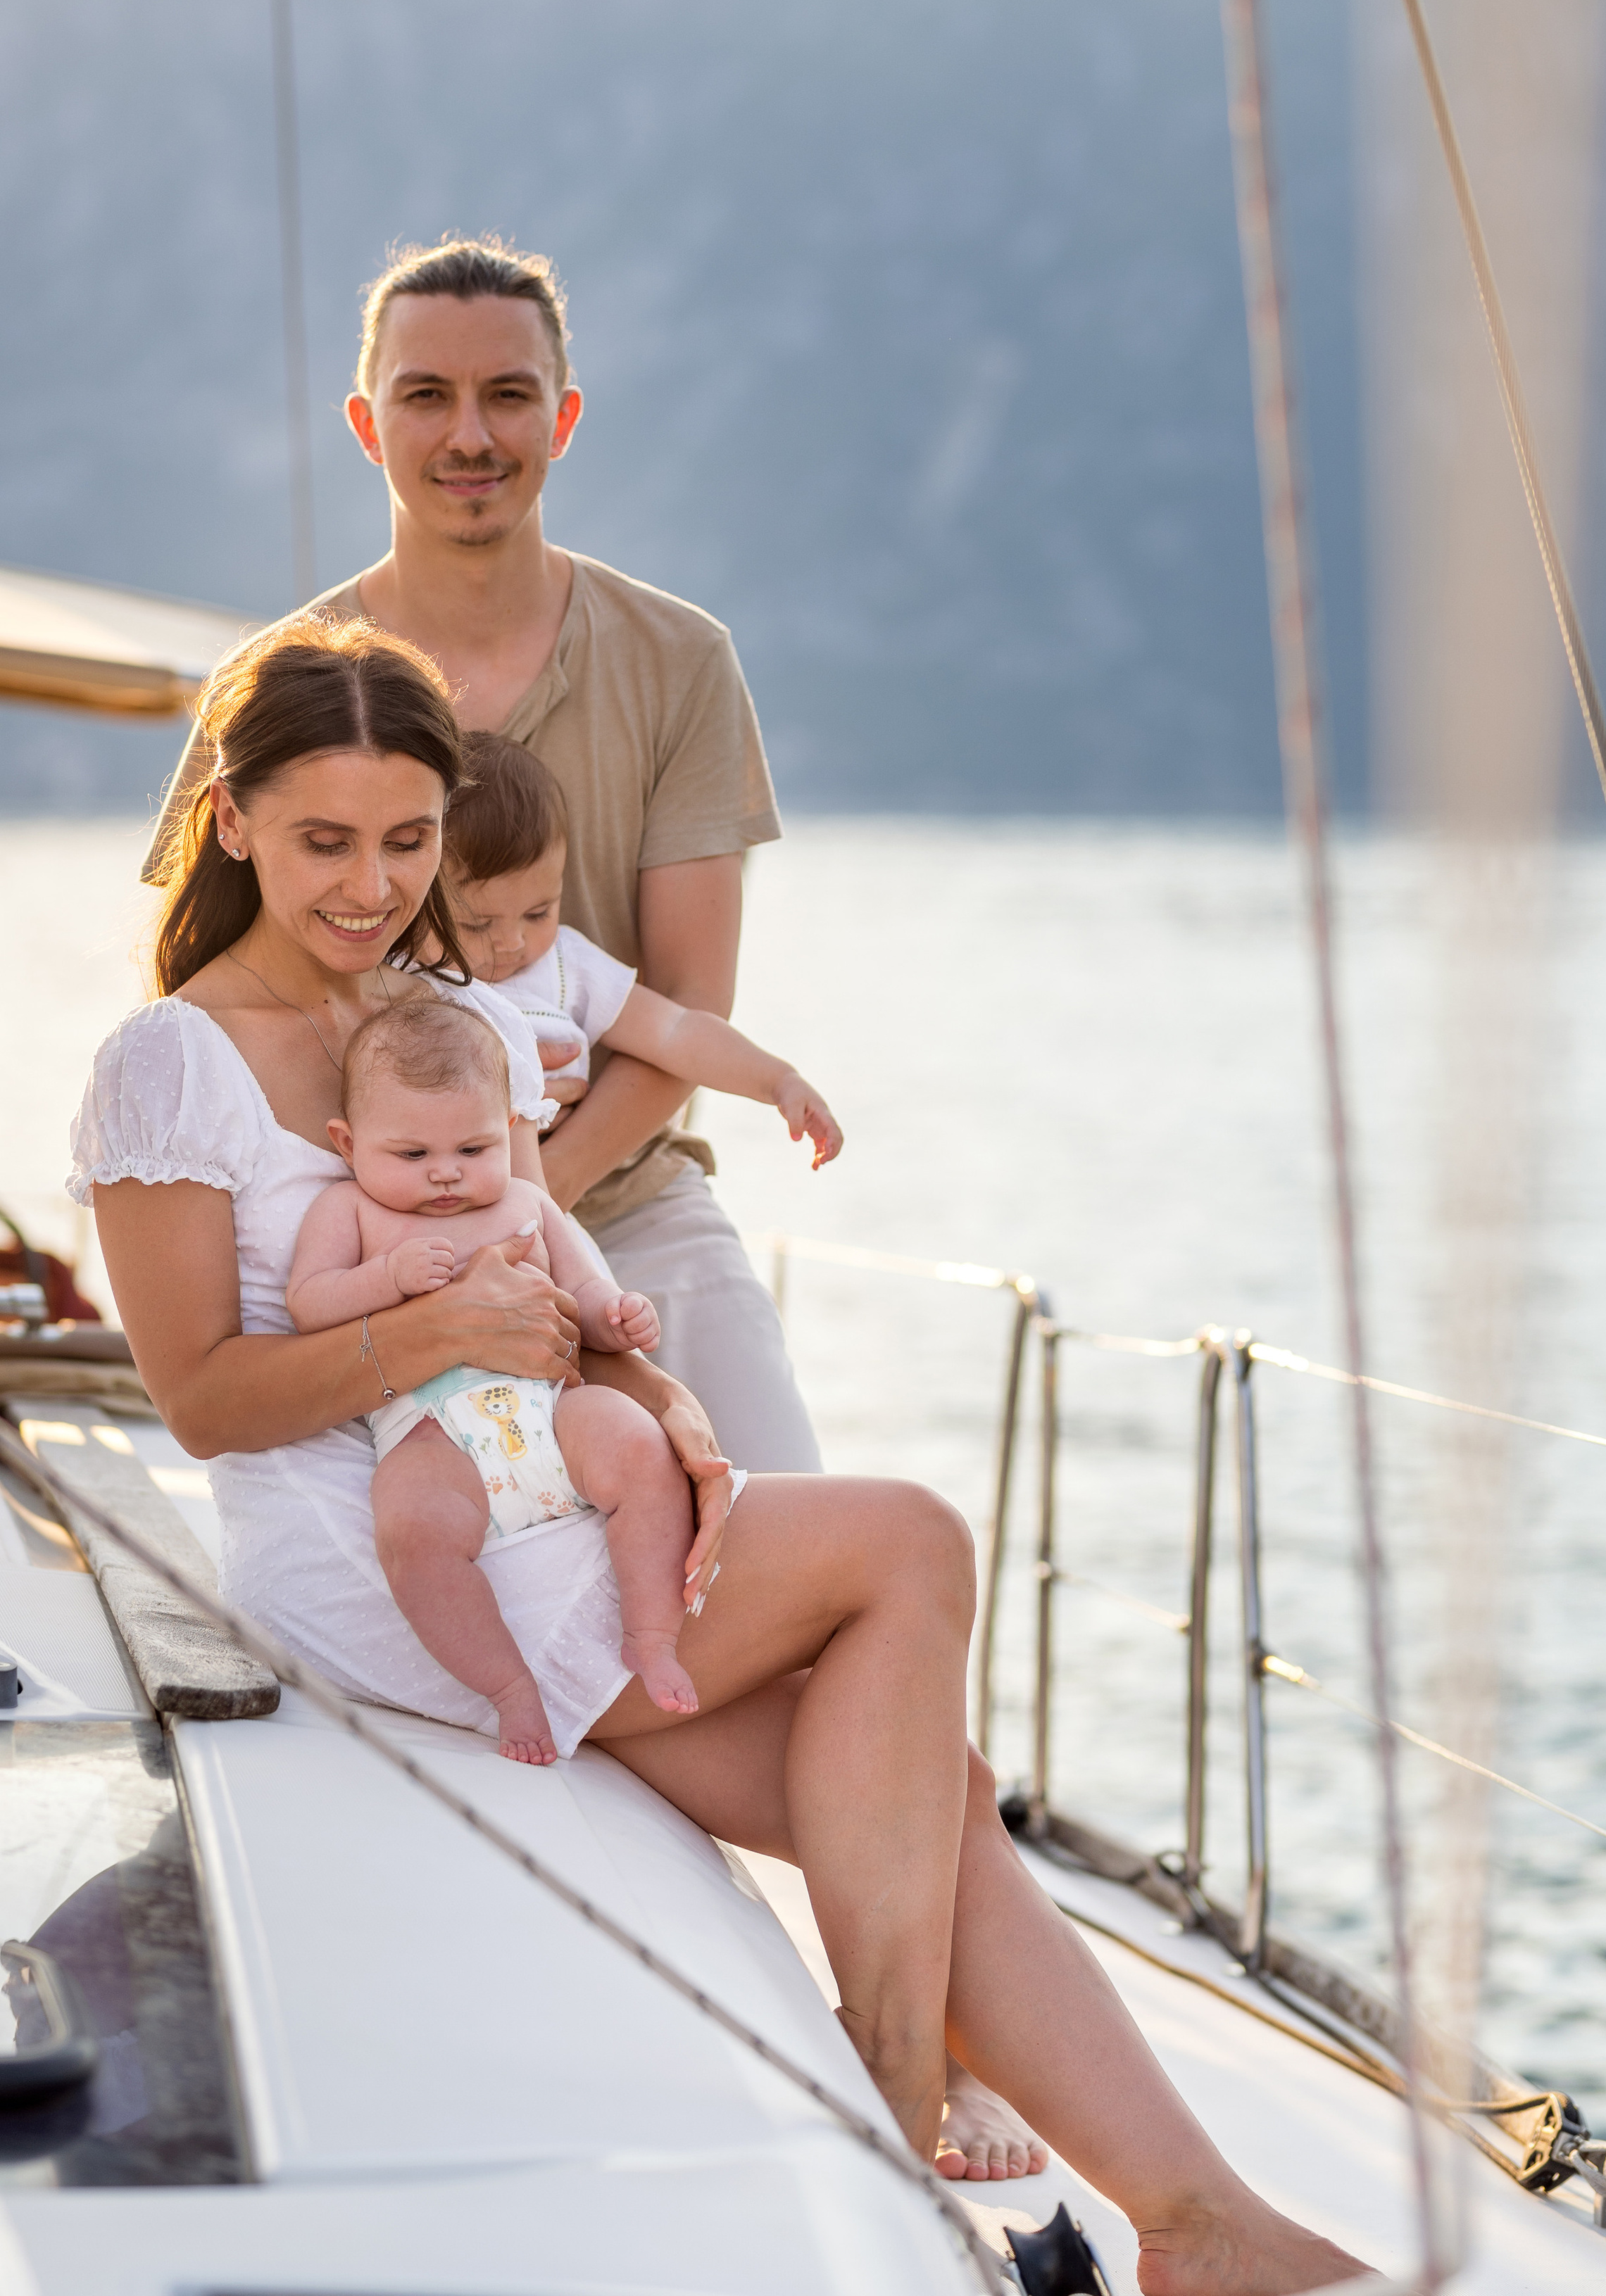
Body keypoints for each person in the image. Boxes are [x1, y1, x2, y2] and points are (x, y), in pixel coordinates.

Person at [82, 615, 1364, 2293]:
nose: (368, 884)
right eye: (324, 839)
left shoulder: (437, 1010)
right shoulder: (168, 1063)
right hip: (385, 1554)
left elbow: (546, 1248)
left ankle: (1199, 2227)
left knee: (928, 1796)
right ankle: (893, 2088)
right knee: (907, 1540)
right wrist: (436, 1338)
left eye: (406, 840)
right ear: (232, 817)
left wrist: (671, 1407)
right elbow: (200, 1397)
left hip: (549, 1482)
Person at [145, 234, 817, 1477]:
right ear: (366, 424)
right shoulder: (279, 687)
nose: (471, 436)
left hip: (625, 1216)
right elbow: (203, 985)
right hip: (353, 1244)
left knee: (789, 1517)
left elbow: (687, 1006)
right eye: (426, 396)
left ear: (560, 417)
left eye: (507, 395)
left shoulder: (679, 663)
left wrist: (526, 1204)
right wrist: (411, 1229)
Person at [286, 992, 703, 1757]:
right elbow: (309, 1305)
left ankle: (651, 1634)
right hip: (432, 1431)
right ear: (348, 1143)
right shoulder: (348, 1212)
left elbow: (583, 1291)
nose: (445, 1175)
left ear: (509, 1131)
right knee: (412, 1537)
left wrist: (617, 1315)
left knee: (640, 1448)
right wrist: (387, 1277)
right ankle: (508, 1689)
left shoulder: (527, 1203)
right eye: (411, 1156)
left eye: (473, 1151)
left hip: (551, 1410)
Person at [441, 731, 842, 1171]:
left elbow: (675, 1032)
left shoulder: (565, 967)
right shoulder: (411, 971)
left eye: (538, 913)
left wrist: (778, 1080)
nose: (514, 943)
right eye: (477, 924)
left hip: (538, 1188)